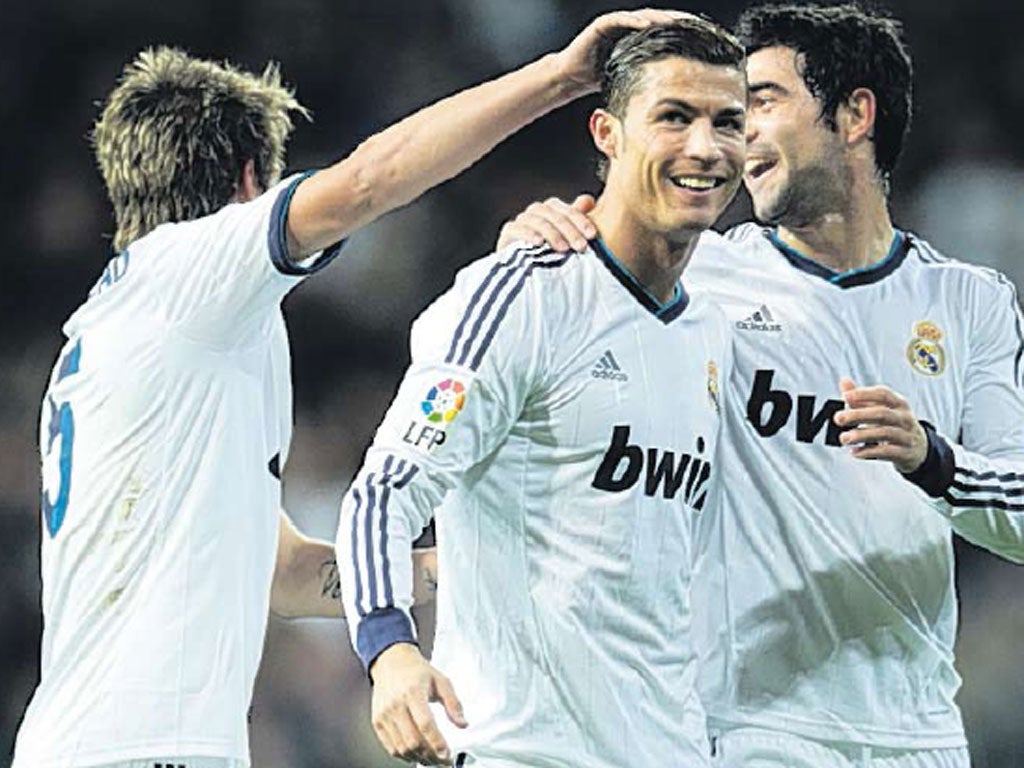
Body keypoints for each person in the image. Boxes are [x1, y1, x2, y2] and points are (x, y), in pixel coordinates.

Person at [13, 11, 689, 768]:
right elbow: (371, 178)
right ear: (250, 182)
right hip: (143, 751)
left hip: (94, 742)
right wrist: (559, 76)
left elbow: (287, 574)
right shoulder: (186, 275)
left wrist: (471, 564)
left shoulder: (126, 338)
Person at [499, 4, 1024, 767]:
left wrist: (933, 460)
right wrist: (538, 235)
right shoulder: (702, 274)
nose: (737, 140)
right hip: (749, 731)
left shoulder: (970, 302)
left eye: (762, 105)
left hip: (921, 734)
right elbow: (568, 306)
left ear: (854, 114)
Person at [335, 18, 746, 768]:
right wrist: (389, 650)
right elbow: (385, 491)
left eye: (728, 123)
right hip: (520, 750)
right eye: (674, 117)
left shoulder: (712, 327)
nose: (704, 147)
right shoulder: (522, 296)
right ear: (608, 132)